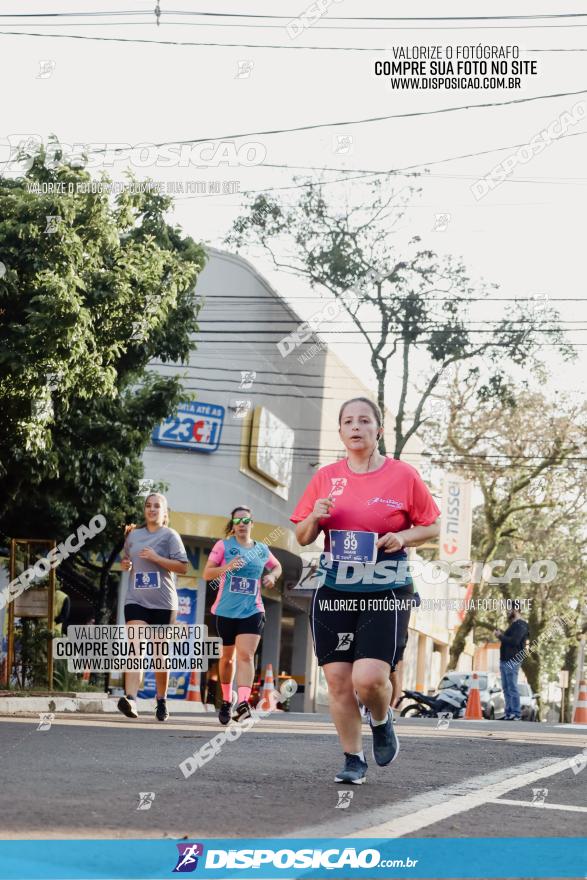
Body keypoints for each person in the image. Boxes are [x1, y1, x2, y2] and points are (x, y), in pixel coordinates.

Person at [291, 397, 440, 784]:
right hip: (336, 588)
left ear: (379, 430)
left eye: (364, 421)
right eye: (347, 422)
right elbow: (303, 536)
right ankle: (353, 758)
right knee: (339, 680)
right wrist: (314, 517)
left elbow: (432, 527)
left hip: (385, 587)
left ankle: (381, 718)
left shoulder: (403, 476)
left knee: (369, 678)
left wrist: (401, 535)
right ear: (340, 431)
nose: (355, 427)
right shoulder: (326, 477)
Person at [202, 506, 282, 725]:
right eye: (237, 520)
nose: (242, 523)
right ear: (233, 524)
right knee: (227, 658)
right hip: (226, 611)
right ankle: (227, 700)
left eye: (246, 519)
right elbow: (207, 573)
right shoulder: (223, 546)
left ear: (251, 523)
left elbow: (277, 566)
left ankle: (244, 703)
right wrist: (226, 567)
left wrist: (272, 577)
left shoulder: (262, 549)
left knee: (246, 655)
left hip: (252, 610)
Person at [118, 492, 188, 722]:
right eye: (148, 505)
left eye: (157, 506)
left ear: (164, 512)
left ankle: (161, 700)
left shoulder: (170, 536)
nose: (152, 509)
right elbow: (126, 559)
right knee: (136, 649)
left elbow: (182, 567)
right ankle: (130, 699)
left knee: (159, 655)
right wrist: (125, 564)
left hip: (163, 604)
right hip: (136, 600)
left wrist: (157, 558)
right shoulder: (133, 535)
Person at [494, 601, 529, 721]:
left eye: (509, 609)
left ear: (515, 610)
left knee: (512, 687)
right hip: (504, 660)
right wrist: (502, 635)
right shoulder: (513, 625)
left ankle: (516, 713)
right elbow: (509, 639)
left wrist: (500, 636)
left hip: (513, 660)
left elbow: (514, 641)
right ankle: (509, 712)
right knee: (506, 687)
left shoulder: (522, 625)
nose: (507, 612)